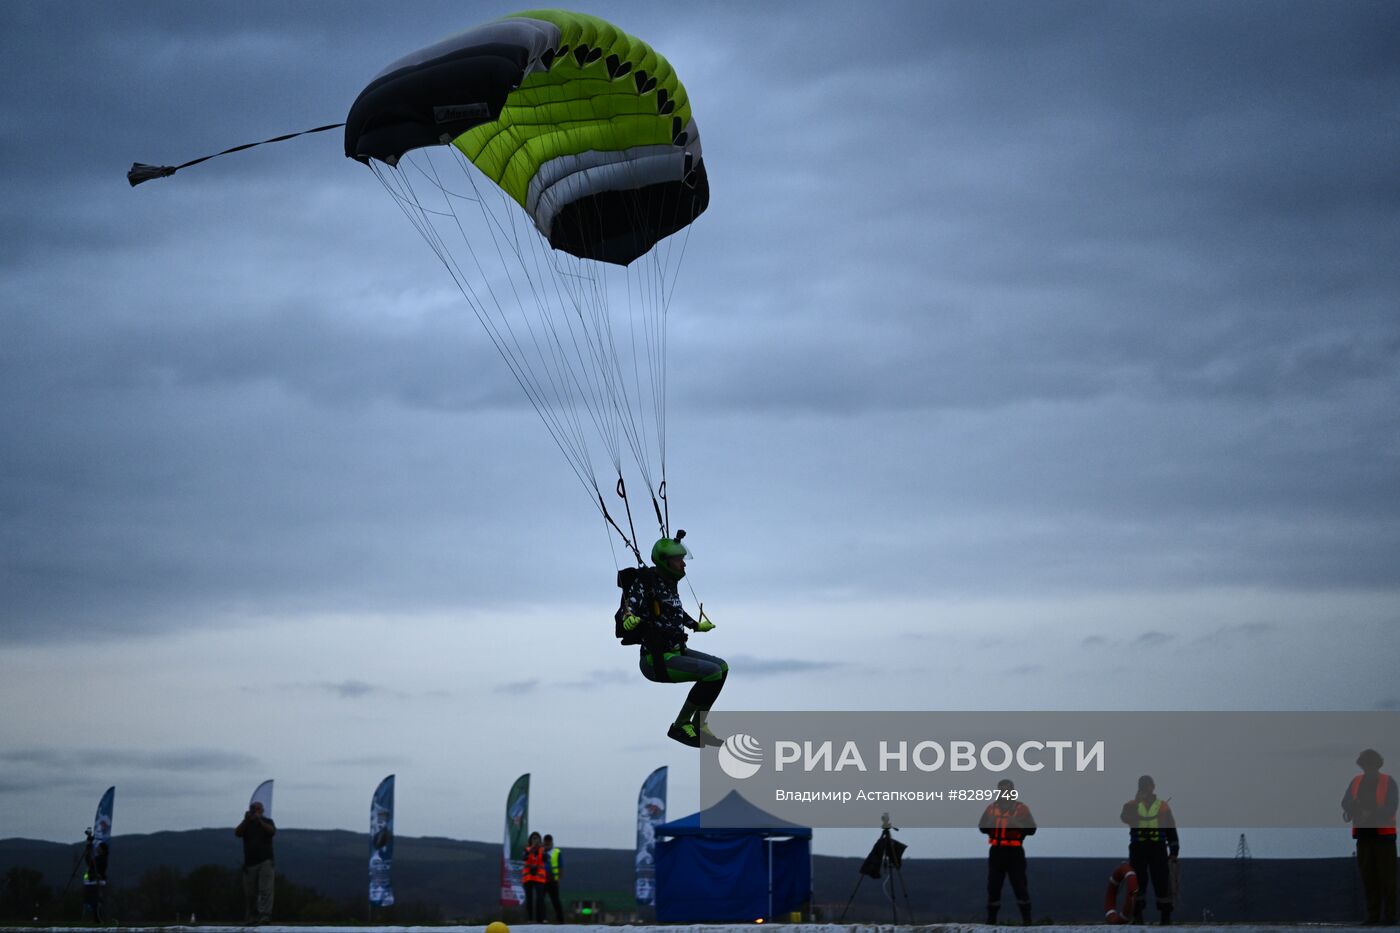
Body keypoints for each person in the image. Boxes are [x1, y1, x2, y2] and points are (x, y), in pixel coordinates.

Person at [619, 532, 729, 748]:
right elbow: (628, 607)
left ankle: (699, 724)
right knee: (711, 673)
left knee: (722, 667)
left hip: (677, 651)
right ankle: (680, 725)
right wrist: (628, 619)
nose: (683, 565)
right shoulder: (645, 582)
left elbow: (674, 610)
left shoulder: (669, 583)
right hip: (656, 659)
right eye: (679, 560)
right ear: (666, 562)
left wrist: (695, 625)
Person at [1342, 748, 1398, 925]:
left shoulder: (1388, 782)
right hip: (1364, 837)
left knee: (1388, 879)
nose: (1368, 768)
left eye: (1370, 765)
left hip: (1384, 838)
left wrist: (1371, 815)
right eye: (1365, 765)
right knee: (1369, 878)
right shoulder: (1356, 782)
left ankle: (1390, 917)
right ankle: (1373, 916)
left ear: (1377, 764)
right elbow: (1345, 802)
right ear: (1362, 765)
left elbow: (1391, 806)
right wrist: (1353, 806)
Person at [1119, 775, 1179, 925]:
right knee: (1138, 882)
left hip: (1158, 848)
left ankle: (1165, 916)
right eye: (1142, 785)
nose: (1145, 788)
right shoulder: (1131, 804)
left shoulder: (1163, 806)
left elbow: (1171, 827)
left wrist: (1174, 849)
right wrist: (1137, 801)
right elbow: (1125, 817)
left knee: (1162, 881)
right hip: (1138, 848)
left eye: (1147, 785)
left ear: (1153, 786)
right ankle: (1137, 915)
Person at [979, 778, 1036, 925]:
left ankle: (1027, 921)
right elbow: (981, 827)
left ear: (1012, 790)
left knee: (1019, 885)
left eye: (1007, 789)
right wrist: (990, 825)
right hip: (997, 851)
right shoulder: (991, 809)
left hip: (1014, 852)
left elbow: (1032, 829)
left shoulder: (1021, 809)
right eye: (1002, 789)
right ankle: (991, 921)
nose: (1005, 792)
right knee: (993, 885)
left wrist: (1017, 824)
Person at [235, 800, 276, 924]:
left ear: (262, 810)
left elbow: (272, 831)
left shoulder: (268, 822)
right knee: (250, 893)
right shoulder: (246, 824)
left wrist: (259, 821)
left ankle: (264, 916)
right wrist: (246, 820)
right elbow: (237, 833)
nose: (256, 811)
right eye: (254, 809)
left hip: (265, 861)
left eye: (258, 809)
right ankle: (251, 916)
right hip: (250, 863)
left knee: (265, 889)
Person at [80, 832, 108, 924]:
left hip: (97, 882)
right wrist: (88, 846)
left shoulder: (102, 859)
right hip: (93, 880)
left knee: (96, 900)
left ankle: (98, 918)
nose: (97, 849)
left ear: (102, 850)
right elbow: (89, 861)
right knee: (93, 900)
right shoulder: (98, 858)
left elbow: (94, 865)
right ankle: (95, 918)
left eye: (99, 848)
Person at [522, 831, 547, 922]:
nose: (535, 840)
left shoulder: (542, 850)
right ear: (530, 840)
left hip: (539, 877)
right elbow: (524, 858)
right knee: (529, 898)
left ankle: (541, 918)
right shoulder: (527, 849)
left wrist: (541, 848)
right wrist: (532, 848)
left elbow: (545, 859)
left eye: (537, 838)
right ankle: (530, 919)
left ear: (540, 840)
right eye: (534, 838)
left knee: (540, 897)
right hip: (528, 877)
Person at [543, 833, 564, 922]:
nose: (547, 843)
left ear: (551, 842)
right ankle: (542, 919)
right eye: (546, 841)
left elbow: (561, 866)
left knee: (555, 901)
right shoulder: (540, 851)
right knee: (540, 901)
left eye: (549, 841)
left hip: (553, 880)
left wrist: (559, 878)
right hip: (541, 880)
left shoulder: (556, 852)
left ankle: (560, 920)